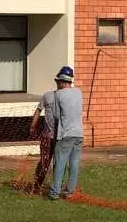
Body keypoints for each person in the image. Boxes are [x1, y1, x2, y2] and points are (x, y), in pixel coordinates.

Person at [49, 65, 83, 201]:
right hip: (79, 134)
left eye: (58, 81)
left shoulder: (58, 94)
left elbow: (57, 115)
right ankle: (69, 191)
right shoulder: (79, 92)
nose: (57, 84)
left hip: (65, 135)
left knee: (60, 163)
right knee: (74, 163)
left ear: (62, 81)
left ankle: (54, 192)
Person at [28, 83, 57, 192]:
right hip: (47, 136)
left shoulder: (67, 99)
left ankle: (56, 186)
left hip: (60, 137)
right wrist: (32, 126)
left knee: (59, 162)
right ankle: (36, 184)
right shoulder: (48, 95)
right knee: (45, 162)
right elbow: (38, 110)